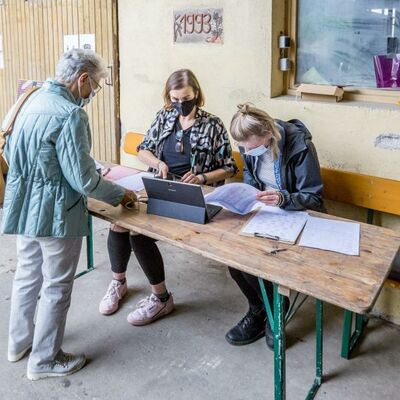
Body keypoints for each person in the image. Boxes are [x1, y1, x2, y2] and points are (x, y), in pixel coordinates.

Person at [1, 49, 136, 380]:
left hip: (23, 208)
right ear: (83, 79)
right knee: (57, 286)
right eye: (96, 86)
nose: (93, 94)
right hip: (56, 213)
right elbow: (84, 180)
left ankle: (19, 344)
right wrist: (122, 194)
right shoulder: (70, 114)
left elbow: (12, 150)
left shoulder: (30, 99)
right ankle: (45, 360)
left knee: (27, 276)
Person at [99, 69, 237, 326]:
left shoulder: (213, 124)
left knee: (138, 232)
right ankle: (118, 283)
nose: (180, 104)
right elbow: (143, 150)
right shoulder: (164, 117)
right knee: (119, 221)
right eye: (174, 99)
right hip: (160, 185)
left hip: (195, 194)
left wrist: (202, 177)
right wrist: (157, 163)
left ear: (196, 94)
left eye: (185, 98)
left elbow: (229, 167)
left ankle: (160, 298)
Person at [225, 103, 323, 349]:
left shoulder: (300, 146)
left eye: (253, 147)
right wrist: (249, 194)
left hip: (298, 215)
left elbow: (314, 197)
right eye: (244, 148)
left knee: (262, 261)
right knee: (235, 262)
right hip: (267, 213)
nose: (249, 152)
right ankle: (261, 310)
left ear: (269, 132)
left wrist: (283, 198)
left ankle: (275, 312)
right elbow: (250, 173)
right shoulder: (249, 145)